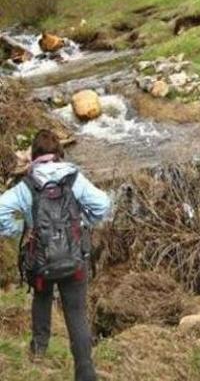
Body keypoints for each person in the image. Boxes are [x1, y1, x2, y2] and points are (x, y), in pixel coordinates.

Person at [0, 130, 111, 381]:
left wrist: (20, 229)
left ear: (34, 157)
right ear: (60, 154)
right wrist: (85, 221)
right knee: (76, 312)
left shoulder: (26, 186)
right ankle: (85, 372)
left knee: (41, 295)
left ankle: (39, 348)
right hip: (75, 260)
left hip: (40, 263)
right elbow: (103, 205)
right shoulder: (74, 179)